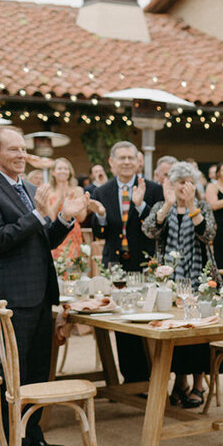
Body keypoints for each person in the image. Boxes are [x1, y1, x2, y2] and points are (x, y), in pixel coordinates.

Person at [0, 125, 84, 446]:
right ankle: (14, 443)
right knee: (14, 372)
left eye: (23, 149)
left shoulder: (31, 187)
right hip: (12, 296)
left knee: (37, 370)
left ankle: (34, 435)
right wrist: (36, 214)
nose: (21, 155)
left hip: (41, 289)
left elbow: (43, 240)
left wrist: (63, 217)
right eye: (13, 149)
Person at [86, 140, 163, 385]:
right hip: (116, 264)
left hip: (145, 263)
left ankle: (157, 377)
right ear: (112, 162)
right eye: (122, 158)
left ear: (138, 161)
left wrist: (140, 205)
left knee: (151, 317)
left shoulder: (152, 188)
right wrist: (99, 215)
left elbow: (158, 226)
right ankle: (133, 379)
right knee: (122, 321)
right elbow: (99, 233)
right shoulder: (102, 191)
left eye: (131, 158)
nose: (127, 162)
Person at [143, 162, 217, 407]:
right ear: (171, 185)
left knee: (196, 332)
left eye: (188, 181)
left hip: (198, 277)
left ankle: (198, 385)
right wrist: (166, 204)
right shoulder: (162, 206)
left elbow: (208, 235)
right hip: (169, 279)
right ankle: (180, 382)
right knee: (173, 332)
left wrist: (193, 206)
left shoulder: (202, 206)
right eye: (179, 182)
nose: (183, 187)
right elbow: (150, 230)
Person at [48, 158, 85, 261]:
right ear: (53, 173)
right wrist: (60, 197)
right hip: (56, 233)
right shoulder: (49, 191)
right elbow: (49, 217)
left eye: (66, 169)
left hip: (73, 232)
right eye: (60, 168)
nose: (63, 171)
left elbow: (82, 218)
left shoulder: (77, 190)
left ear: (70, 172)